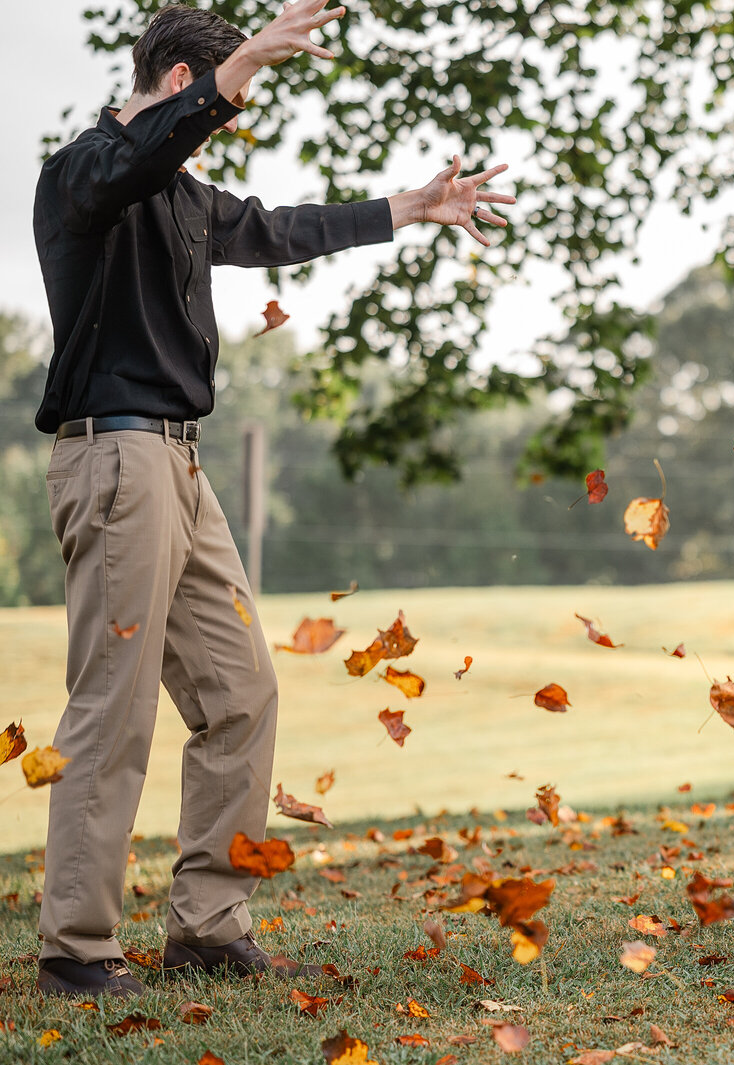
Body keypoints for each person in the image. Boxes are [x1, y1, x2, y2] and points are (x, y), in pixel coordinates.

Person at [32, 1, 513, 997]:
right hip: (116, 461)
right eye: (222, 102)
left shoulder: (182, 194)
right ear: (180, 85)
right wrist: (236, 69)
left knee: (241, 694)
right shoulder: (84, 170)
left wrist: (408, 210)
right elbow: (135, 160)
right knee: (111, 712)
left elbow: (277, 229)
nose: (227, 122)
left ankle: (207, 926)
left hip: (183, 468)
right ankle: (77, 949)